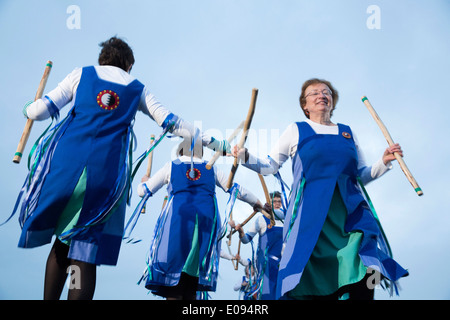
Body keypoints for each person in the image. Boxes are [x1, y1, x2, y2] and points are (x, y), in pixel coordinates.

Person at [13, 36, 229, 300]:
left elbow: (39, 111)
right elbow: (174, 123)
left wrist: (27, 108)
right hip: (105, 179)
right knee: (85, 251)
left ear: (102, 58)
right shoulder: (137, 88)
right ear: (128, 65)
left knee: (62, 242)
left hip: (65, 170)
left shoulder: (80, 74)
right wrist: (215, 142)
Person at [232, 78, 408, 300]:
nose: (322, 95)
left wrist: (384, 162)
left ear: (332, 102)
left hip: (350, 215)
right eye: (314, 93)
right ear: (304, 105)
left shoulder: (347, 132)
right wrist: (244, 156)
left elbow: (359, 176)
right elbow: (269, 166)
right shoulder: (296, 130)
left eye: (327, 92)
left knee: (365, 268)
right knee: (309, 279)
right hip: (311, 219)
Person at [136, 137, 263, 300]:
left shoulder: (172, 166)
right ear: (201, 152)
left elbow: (143, 191)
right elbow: (237, 189)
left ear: (180, 151)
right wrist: (257, 202)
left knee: (174, 282)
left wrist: (144, 183)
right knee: (191, 286)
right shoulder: (211, 168)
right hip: (204, 229)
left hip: (178, 225)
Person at [229, 191, 285, 300]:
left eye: (279, 202)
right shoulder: (261, 220)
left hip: (283, 263)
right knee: (267, 295)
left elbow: (281, 214)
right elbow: (246, 239)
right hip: (267, 264)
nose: (277, 204)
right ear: (269, 203)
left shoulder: (285, 218)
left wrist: (266, 210)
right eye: (274, 202)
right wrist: (241, 231)